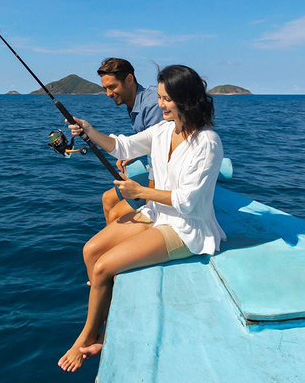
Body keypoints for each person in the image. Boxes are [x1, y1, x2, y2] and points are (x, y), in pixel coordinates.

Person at [57, 64, 225, 373]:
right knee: (91, 252)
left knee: (105, 266)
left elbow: (187, 202)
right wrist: (89, 130)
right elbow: (123, 145)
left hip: (186, 228)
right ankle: (101, 310)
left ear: (186, 99)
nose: (160, 104)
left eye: (166, 99)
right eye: (159, 97)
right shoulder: (163, 130)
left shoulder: (208, 143)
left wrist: (140, 191)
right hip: (157, 213)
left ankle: (90, 335)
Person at [97, 58, 164, 225]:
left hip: (165, 177)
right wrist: (134, 154)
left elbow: (160, 156)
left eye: (112, 87)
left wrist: (150, 200)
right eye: (105, 89)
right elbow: (148, 139)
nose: (108, 94)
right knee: (107, 199)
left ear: (129, 79)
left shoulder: (152, 105)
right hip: (157, 168)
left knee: (116, 215)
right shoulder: (133, 102)